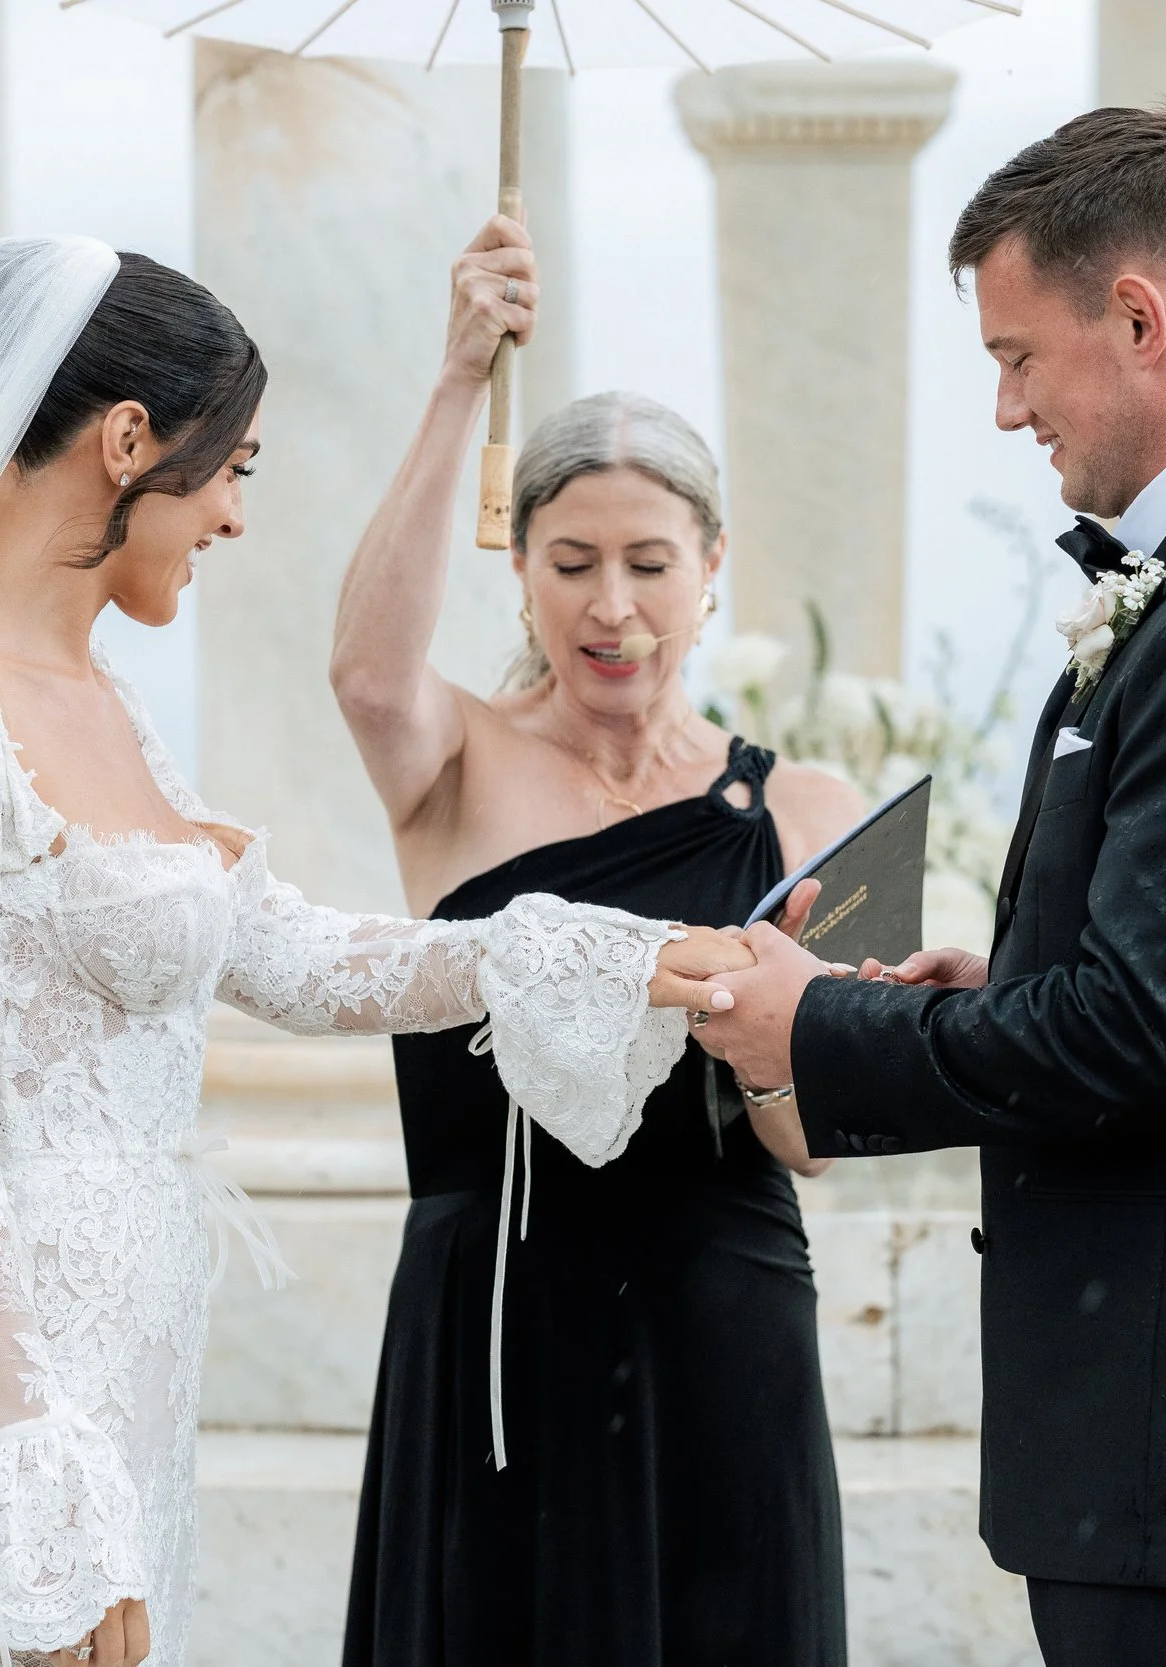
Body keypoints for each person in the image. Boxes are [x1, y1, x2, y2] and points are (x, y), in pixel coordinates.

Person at [0, 237, 750, 1667]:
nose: (230, 516)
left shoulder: (105, 702)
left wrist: (626, 956)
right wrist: (30, 1466)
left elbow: (294, 954)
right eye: (232, 469)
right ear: (127, 440)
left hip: (134, 1366)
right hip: (9, 1397)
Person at [696, 102, 1166, 1666]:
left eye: (1018, 355)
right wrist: (1009, 984)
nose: (1002, 408)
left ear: (1139, 318)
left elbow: (1141, 1040)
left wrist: (813, 1027)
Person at [326, 218, 868, 1667]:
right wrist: (458, 377)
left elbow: (819, 1136)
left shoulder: (810, 807)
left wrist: (764, 1041)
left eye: (645, 562)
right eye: (569, 562)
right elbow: (368, 671)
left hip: (726, 1316)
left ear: (711, 569)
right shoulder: (456, 769)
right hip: (501, 1328)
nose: (610, 606)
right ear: (519, 568)